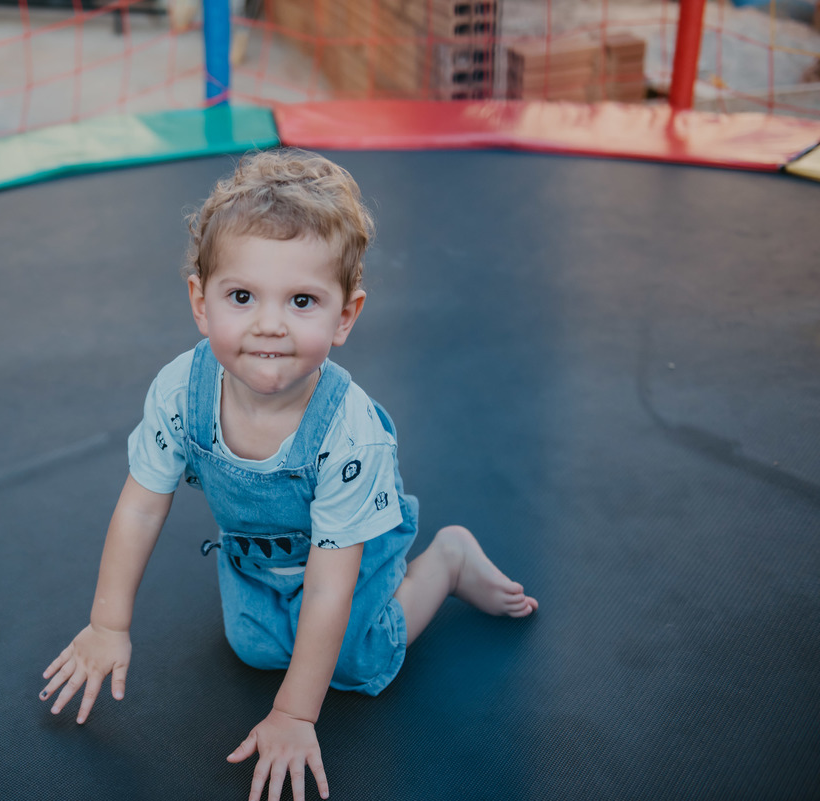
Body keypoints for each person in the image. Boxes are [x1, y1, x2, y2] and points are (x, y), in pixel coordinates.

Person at [39, 148, 537, 801]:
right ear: (200, 302)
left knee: (356, 661)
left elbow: (331, 582)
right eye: (242, 296)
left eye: (302, 300)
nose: (269, 325)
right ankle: (316, 619)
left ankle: (446, 562)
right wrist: (108, 623)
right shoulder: (181, 391)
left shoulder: (347, 432)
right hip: (258, 558)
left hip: (347, 553)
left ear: (345, 316)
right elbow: (140, 505)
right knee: (253, 648)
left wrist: (295, 715)